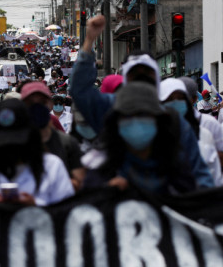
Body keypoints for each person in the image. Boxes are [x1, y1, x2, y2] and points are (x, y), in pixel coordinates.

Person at [70, 15, 213, 189]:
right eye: (135, 75)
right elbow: (79, 90)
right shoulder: (110, 108)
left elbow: (200, 177)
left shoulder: (174, 121)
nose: (142, 80)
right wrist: (89, 40)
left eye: (147, 74)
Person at [83, 81, 199, 195]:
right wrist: (106, 189)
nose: (136, 123)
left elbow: (189, 199)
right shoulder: (101, 161)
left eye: (144, 115)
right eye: (128, 116)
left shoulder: (174, 158)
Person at [0, 99, 74, 206]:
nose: (11, 147)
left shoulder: (52, 167)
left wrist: (37, 207)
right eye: (4, 142)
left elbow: (67, 214)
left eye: (18, 141)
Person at [21, 81, 84, 189]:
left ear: (50, 105)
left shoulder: (68, 143)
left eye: (42, 102)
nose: (37, 107)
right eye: (30, 103)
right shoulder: (15, 142)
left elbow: (80, 182)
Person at [160, 78, 222, 185]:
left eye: (180, 98)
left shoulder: (205, 134)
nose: (175, 103)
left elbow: (214, 178)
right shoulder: (152, 136)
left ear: (191, 100)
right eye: (169, 99)